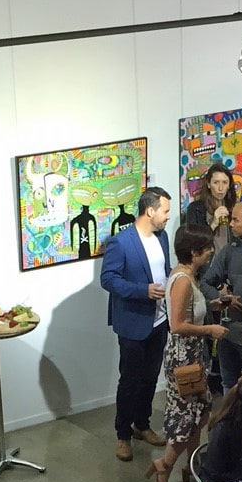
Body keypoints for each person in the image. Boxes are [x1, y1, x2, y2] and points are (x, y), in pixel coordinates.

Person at [147, 228, 226, 482]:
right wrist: (210, 330)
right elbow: (178, 325)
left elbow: (189, 312)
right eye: (207, 248)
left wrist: (213, 306)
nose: (211, 251)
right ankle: (166, 464)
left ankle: (191, 466)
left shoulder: (187, 275)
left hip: (190, 355)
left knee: (199, 412)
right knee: (188, 416)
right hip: (184, 358)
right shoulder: (182, 280)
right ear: (193, 252)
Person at [100, 186, 172, 463]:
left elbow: (165, 271)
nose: (168, 216)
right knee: (129, 381)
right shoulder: (121, 242)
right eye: (165, 211)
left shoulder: (162, 237)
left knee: (150, 377)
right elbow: (108, 279)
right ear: (150, 210)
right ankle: (123, 435)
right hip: (132, 322)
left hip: (159, 320)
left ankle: (142, 424)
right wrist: (143, 290)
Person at [198, 200, 242, 393]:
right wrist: (223, 300)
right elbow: (205, 282)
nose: (230, 224)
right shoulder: (229, 250)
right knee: (228, 384)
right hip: (228, 333)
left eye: (235, 220)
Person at [184, 161, 236, 253]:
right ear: (208, 184)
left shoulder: (233, 207)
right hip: (208, 260)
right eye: (216, 182)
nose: (220, 188)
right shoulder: (195, 209)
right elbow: (194, 242)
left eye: (225, 182)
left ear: (229, 185)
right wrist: (213, 224)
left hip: (229, 260)